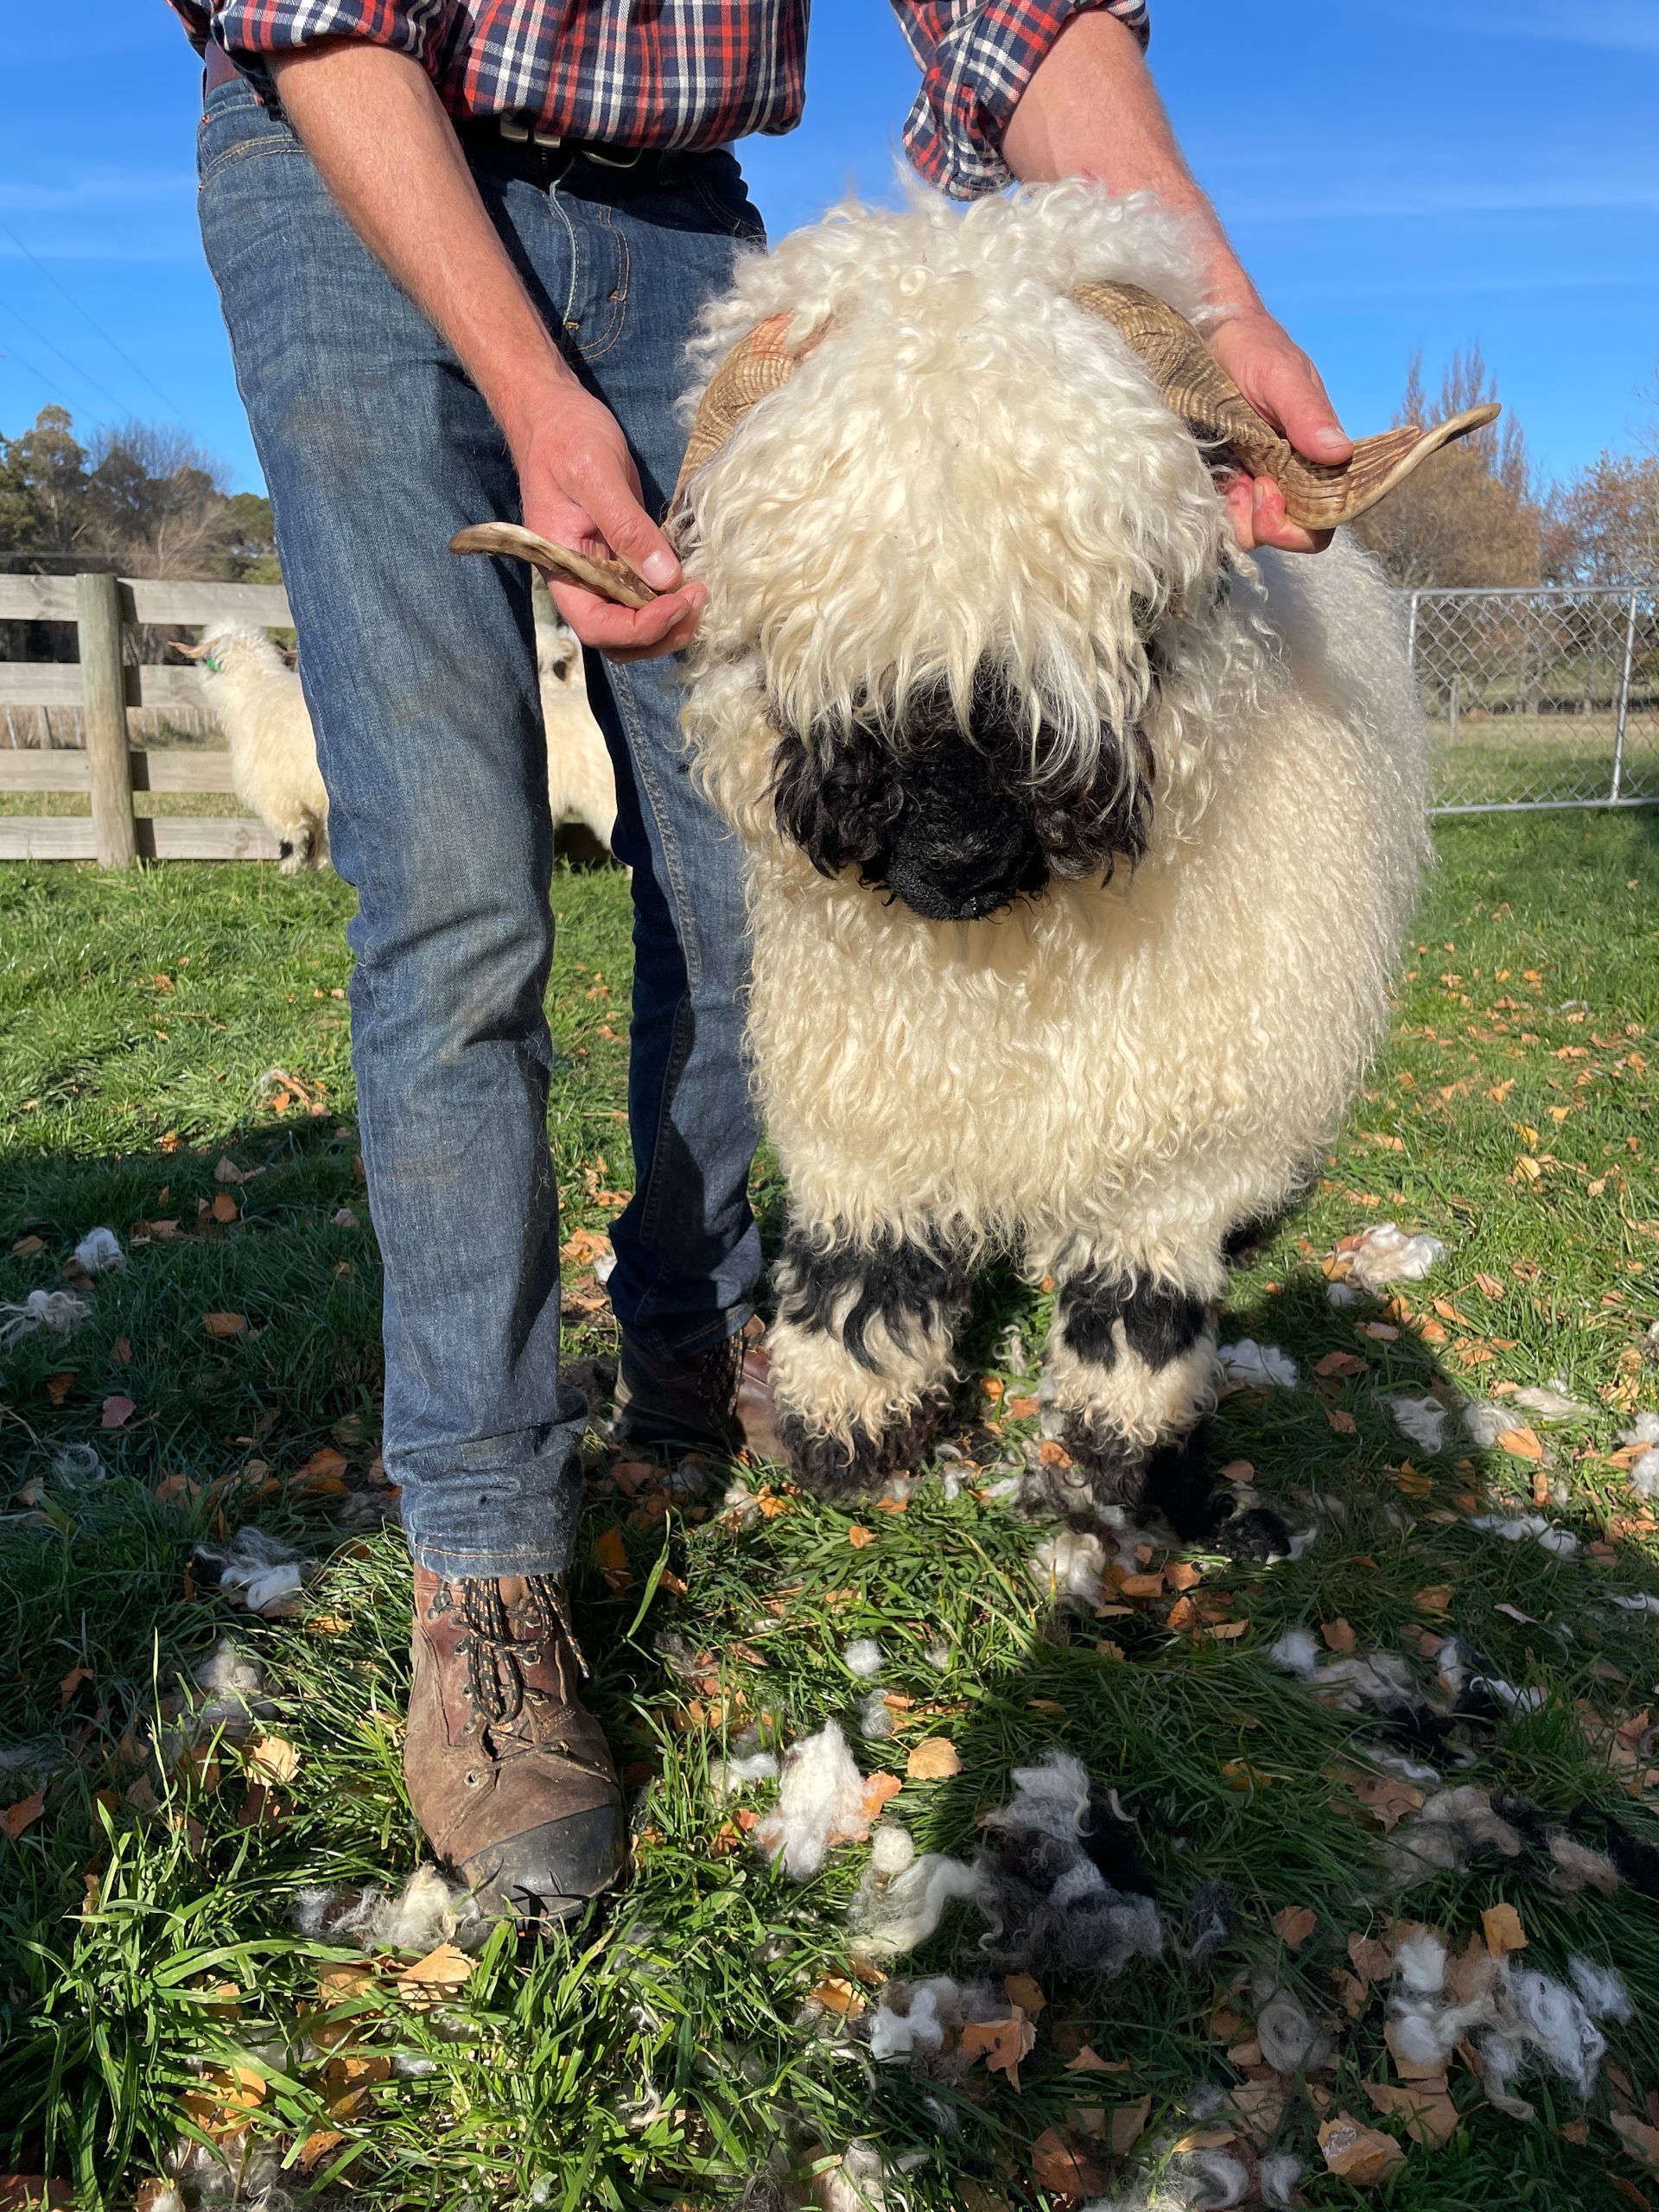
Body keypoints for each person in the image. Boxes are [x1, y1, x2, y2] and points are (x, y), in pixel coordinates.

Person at [168, 0, 1352, 1923]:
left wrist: (1209, 319)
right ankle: (487, 1570)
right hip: (354, 166)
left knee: (751, 888)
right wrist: (536, 399)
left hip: (684, 225)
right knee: (464, 900)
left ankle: (696, 1354)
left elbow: (1007, 11)